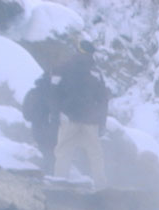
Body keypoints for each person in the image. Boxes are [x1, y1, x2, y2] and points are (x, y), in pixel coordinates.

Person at [53, 40, 109, 188]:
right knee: (95, 155)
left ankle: (59, 185)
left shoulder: (63, 68)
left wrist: (55, 113)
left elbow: (53, 93)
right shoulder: (96, 72)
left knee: (64, 151)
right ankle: (101, 186)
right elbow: (103, 99)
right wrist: (102, 123)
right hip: (91, 119)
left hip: (68, 117)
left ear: (78, 50)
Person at [22, 72, 59, 174]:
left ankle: (45, 172)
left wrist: (35, 119)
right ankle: (51, 173)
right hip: (52, 128)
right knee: (51, 152)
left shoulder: (33, 92)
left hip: (37, 127)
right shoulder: (54, 93)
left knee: (43, 150)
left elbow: (26, 112)